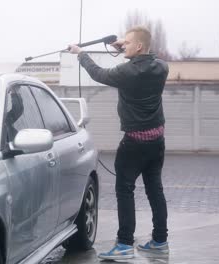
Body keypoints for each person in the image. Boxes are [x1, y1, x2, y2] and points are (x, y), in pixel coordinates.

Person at [68, 26, 169, 260]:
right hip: (157, 141)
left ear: (139, 47)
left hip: (134, 144)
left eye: (128, 42)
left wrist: (80, 53)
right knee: (155, 190)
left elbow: (98, 73)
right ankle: (160, 241)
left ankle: (124, 245)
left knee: (124, 191)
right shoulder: (162, 67)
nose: (124, 44)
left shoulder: (127, 72)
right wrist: (125, 43)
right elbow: (145, 55)